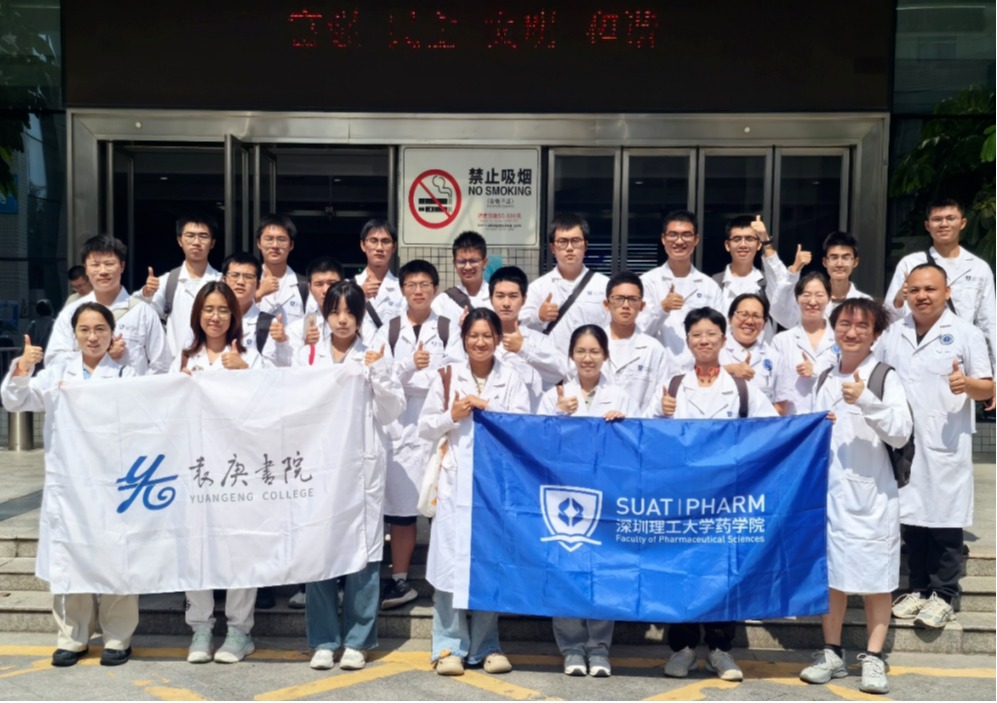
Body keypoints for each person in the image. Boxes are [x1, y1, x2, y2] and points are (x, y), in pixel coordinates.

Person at [2, 302, 138, 668]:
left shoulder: (126, 375)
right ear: (74, 334)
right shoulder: (57, 374)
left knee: (117, 558)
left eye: (100, 329)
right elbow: (15, 400)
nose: (92, 337)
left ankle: (118, 637)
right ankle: (73, 637)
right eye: (85, 330)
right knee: (70, 557)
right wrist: (23, 367)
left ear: (112, 334)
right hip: (70, 484)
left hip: (114, 485)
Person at [649, 307, 777, 682]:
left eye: (711, 334)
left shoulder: (741, 389)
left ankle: (720, 649)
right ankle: (683, 649)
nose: (703, 340)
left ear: (723, 339)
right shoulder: (672, 386)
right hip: (683, 499)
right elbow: (646, 438)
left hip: (727, 500)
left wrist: (814, 425)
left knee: (724, 571)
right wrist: (660, 412)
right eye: (696, 335)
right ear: (688, 341)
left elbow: (774, 430)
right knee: (684, 569)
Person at [800, 298, 913, 695]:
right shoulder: (823, 378)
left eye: (862, 326)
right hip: (830, 496)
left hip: (872, 496)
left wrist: (866, 400)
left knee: (877, 579)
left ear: (875, 334)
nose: (852, 332)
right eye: (845, 324)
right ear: (834, 329)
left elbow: (901, 431)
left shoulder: (884, 377)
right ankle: (832, 653)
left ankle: (874, 657)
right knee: (832, 577)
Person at [295, 281, 406, 671]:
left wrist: (378, 373)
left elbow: (392, 411)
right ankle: (324, 640)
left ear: (360, 317)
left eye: (350, 313)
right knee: (319, 551)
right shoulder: (308, 355)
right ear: (325, 314)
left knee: (365, 552)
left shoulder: (374, 354)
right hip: (319, 467)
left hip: (362, 467)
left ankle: (359, 640)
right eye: (335, 312)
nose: (342, 320)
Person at [878, 264, 994, 629]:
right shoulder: (893, 333)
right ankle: (918, 588)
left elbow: (988, 387)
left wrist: (967, 385)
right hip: (905, 441)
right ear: (906, 294)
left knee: (944, 519)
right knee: (912, 517)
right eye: (914, 290)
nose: (922, 296)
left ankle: (944, 594)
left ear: (947, 292)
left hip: (945, 440)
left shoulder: (966, 333)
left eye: (930, 289)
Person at [418, 308, 529, 676]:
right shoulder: (447, 376)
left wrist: (488, 407)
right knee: (449, 565)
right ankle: (448, 647)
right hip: (455, 485)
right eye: (473, 335)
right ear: (463, 339)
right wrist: (452, 415)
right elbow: (425, 427)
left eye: (487, 335)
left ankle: (486, 646)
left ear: (498, 338)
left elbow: (523, 427)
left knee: (488, 564)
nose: (480, 342)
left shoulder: (512, 378)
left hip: (494, 486)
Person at [172, 282, 266, 664]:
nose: (215, 317)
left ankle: (240, 631)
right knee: (196, 547)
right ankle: (201, 627)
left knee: (241, 546)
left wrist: (245, 373)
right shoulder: (184, 357)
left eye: (223, 310)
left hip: (237, 467)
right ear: (198, 314)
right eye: (208, 309)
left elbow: (270, 404)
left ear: (234, 315)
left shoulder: (250, 356)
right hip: (195, 467)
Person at [538, 324, 635, 678]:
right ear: (571, 355)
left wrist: (624, 424)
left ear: (605, 355)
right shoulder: (555, 394)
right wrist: (557, 415)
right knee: (566, 569)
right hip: (564, 496)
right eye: (581, 351)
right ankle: (571, 648)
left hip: (606, 497)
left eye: (595, 351)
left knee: (602, 571)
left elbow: (637, 443)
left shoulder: (620, 395)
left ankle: (599, 647)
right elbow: (534, 440)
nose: (588, 358)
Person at [372, 260, 462, 610]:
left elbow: (454, 371)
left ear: (435, 289)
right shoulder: (390, 329)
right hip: (399, 424)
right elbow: (378, 372)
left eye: (425, 284)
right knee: (401, 508)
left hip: (436, 420)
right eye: (411, 284)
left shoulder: (448, 327)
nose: (418, 290)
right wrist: (409, 364)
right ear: (402, 290)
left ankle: (445, 581)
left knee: (441, 505)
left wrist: (421, 375)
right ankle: (400, 580)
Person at [884, 198, 996, 373]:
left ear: (963, 223)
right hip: (916, 355)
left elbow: (989, 323)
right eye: (937, 219)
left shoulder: (979, 268)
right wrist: (899, 300)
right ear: (927, 226)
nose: (944, 224)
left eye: (950, 218)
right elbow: (888, 320)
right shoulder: (910, 264)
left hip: (962, 358)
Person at [47, 235, 170, 376]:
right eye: (95, 265)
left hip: (129, 389)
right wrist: (97, 355)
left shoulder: (143, 312)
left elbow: (162, 365)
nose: (103, 271)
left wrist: (141, 388)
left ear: (122, 266)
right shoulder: (71, 312)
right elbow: (54, 361)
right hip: (85, 389)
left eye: (109, 264)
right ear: (86, 269)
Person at [637, 210, 723, 376]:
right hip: (657, 372)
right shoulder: (647, 282)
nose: (679, 241)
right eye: (673, 235)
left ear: (696, 239)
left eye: (686, 235)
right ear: (663, 239)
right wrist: (662, 308)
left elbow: (719, 332)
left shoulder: (709, 286)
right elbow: (639, 331)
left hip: (700, 374)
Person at [520, 214, 610, 355]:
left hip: (591, 364)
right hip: (551, 365)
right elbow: (520, 326)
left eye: (576, 241)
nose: (569, 248)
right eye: (562, 242)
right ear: (552, 248)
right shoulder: (538, 288)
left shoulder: (604, 285)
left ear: (585, 245)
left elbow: (614, 327)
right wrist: (538, 316)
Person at [138, 213, 222, 357]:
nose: (196, 242)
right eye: (190, 235)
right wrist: (146, 294)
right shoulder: (167, 282)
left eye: (203, 236)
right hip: (175, 361)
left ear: (212, 243)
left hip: (213, 361)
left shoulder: (221, 281)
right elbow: (142, 316)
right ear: (179, 240)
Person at [489, 266, 567, 411]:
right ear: (490, 299)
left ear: (524, 300)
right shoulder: (480, 341)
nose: (506, 303)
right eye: (500, 296)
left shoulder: (539, 340)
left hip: (530, 418)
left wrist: (523, 349)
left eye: (513, 296)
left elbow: (562, 371)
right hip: (490, 419)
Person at [712, 215, 797, 337]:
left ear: (758, 245)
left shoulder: (767, 283)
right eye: (737, 239)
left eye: (749, 239)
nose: (743, 244)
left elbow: (784, 290)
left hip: (762, 348)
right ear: (727, 245)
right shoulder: (714, 283)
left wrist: (766, 240)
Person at [771, 273, 840, 416]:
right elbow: (773, 385)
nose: (812, 302)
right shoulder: (781, 341)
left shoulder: (840, 339)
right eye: (806, 295)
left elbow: (845, 378)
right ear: (797, 299)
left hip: (831, 418)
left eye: (819, 295)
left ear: (829, 298)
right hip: (794, 419)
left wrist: (815, 371)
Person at [601, 272, 668, 412]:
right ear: (606, 304)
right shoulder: (592, 346)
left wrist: (639, 422)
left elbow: (660, 397)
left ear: (642, 305)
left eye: (632, 299)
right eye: (618, 299)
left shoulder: (654, 349)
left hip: (639, 423)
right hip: (597, 423)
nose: (626, 305)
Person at [221, 252, 292, 368]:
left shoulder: (268, 324)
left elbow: (274, 371)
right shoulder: (209, 318)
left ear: (258, 284)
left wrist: (243, 367)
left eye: (248, 277)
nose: (240, 282)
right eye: (234, 275)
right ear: (224, 280)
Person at [719, 293, 782, 411]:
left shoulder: (774, 357)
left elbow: (782, 403)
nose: (749, 321)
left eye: (756, 316)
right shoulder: (714, 351)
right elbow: (697, 382)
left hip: (761, 420)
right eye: (744, 314)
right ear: (730, 319)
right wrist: (728, 370)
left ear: (764, 324)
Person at [355, 219, 405, 341]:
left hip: (389, 351)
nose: (379, 247)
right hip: (357, 351)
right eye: (373, 241)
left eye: (385, 241)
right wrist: (358, 295)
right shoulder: (349, 286)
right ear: (363, 245)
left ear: (394, 247)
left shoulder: (402, 289)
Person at [254, 213, 308, 326]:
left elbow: (310, 327)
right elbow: (235, 315)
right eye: (269, 239)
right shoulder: (248, 280)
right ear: (259, 243)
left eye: (281, 239)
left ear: (291, 245)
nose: (275, 245)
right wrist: (258, 294)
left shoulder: (304, 286)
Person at [287, 256, 345, 358]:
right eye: (319, 284)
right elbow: (291, 363)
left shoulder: (360, 324)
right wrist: (306, 346)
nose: (326, 290)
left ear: (343, 285)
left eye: (332, 283)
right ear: (309, 288)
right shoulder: (298, 328)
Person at [432, 230, 492, 323]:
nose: (468, 267)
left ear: (484, 262)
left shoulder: (497, 297)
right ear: (454, 264)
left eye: (473, 261)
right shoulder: (443, 301)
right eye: (462, 261)